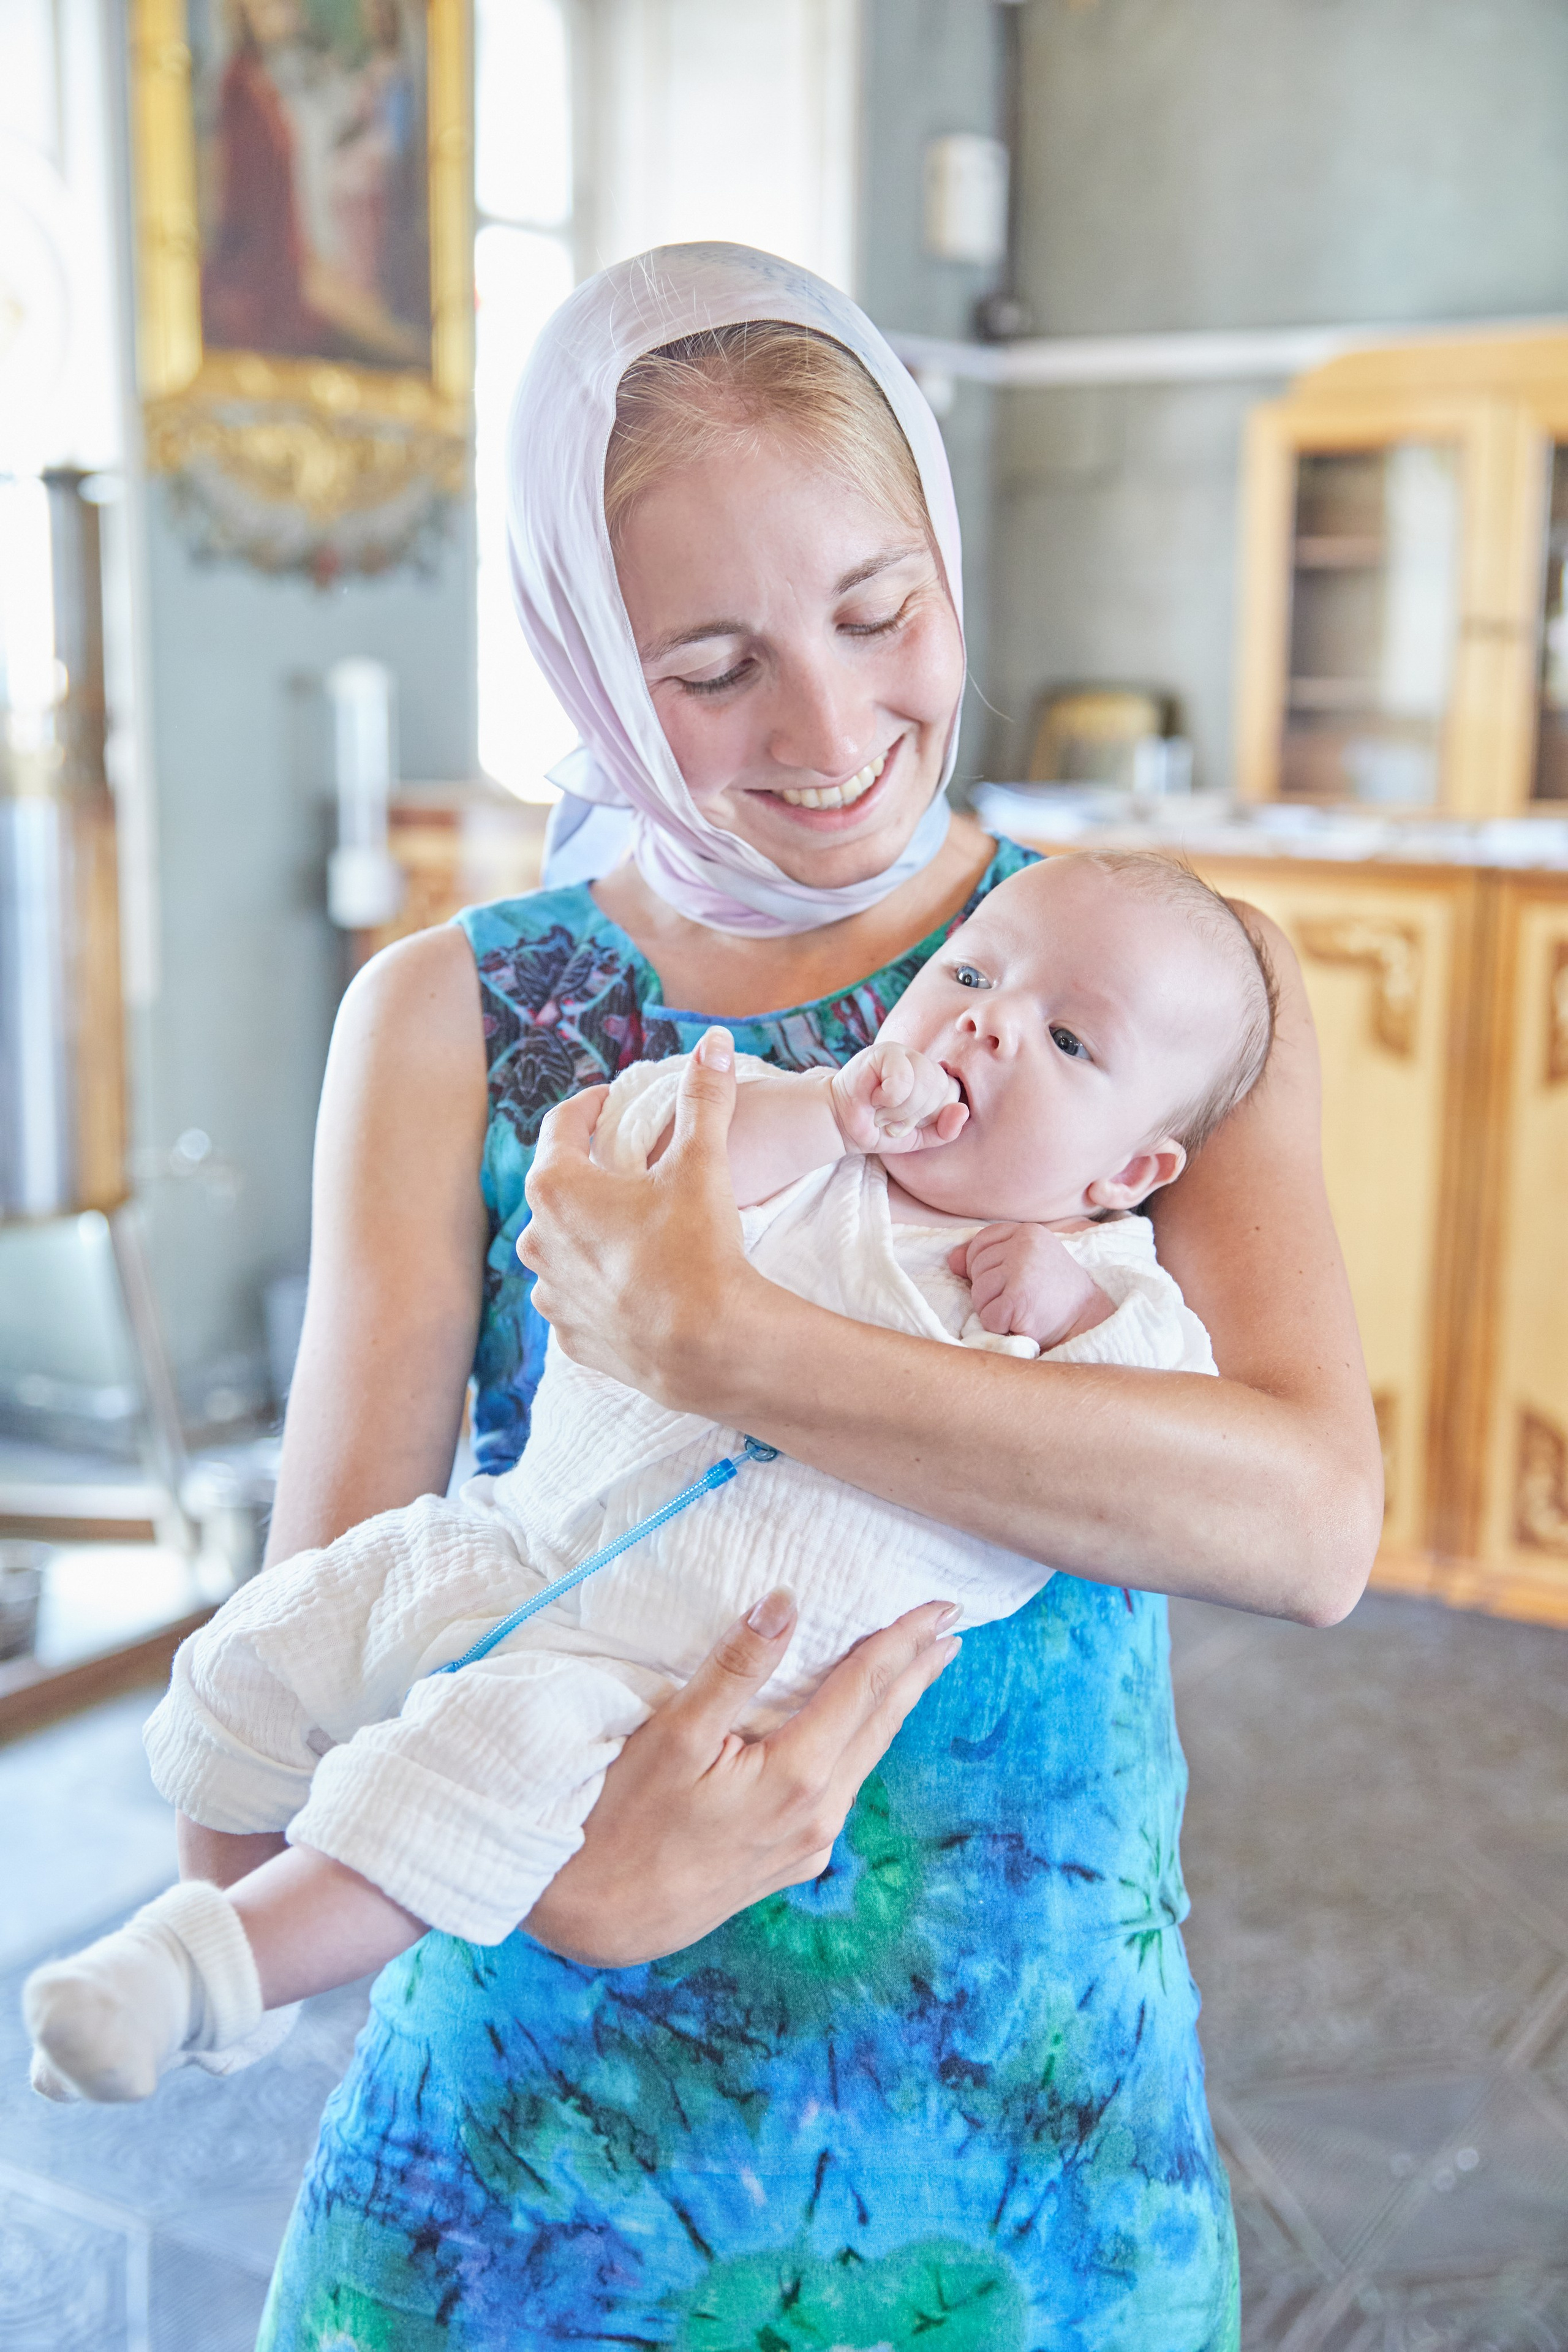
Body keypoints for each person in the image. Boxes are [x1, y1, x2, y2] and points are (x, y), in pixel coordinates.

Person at [175, 246, 1379, 2346]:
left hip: (1022, 2147)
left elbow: (1303, 1523)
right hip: (536, 2156)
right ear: (583, 662)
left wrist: (737, 1350)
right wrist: (568, 1887)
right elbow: (303, 1711)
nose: (831, 731)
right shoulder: (457, 1014)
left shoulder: (1160, 983)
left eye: (876, 612)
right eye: (709, 663)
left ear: (943, 547)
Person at [24, 850, 1277, 2103]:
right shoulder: (792, 1130)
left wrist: (1064, 1313)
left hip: (660, 1687)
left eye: (1064, 1040)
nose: (987, 1022)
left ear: (1126, 1175)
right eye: (968, 972)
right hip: (504, 1545)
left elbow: (1169, 1441)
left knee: (457, 1775)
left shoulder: (1115, 1294)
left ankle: (192, 1978)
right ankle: (216, 1927)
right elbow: (646, 1154)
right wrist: (834, 1111)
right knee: (264, 1643)